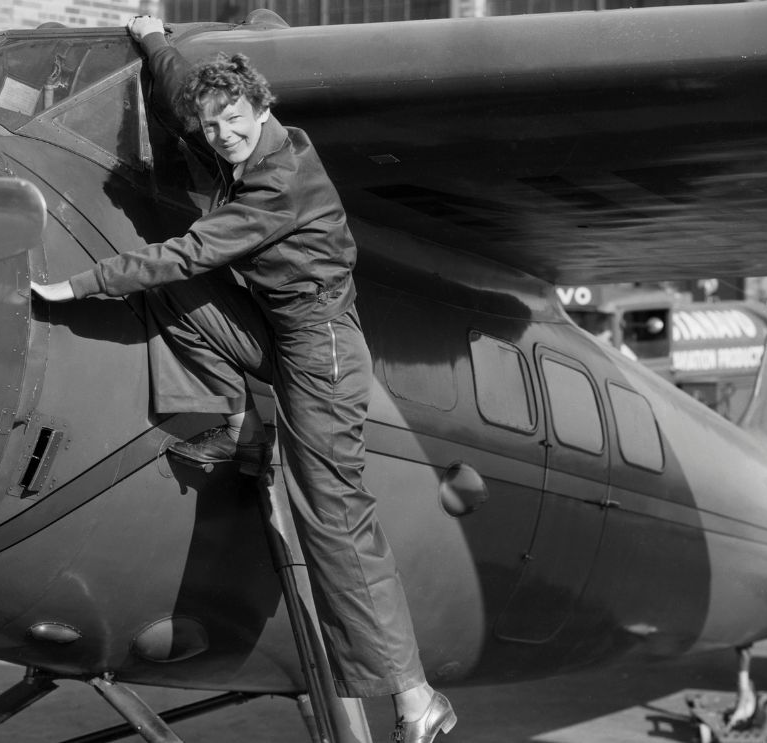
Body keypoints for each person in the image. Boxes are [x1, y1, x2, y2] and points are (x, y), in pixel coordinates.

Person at [31, 16, 455, 742]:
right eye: (212, 125)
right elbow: (178, 98)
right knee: (164, 292)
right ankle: (235, 422)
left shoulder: (280, 183)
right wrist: (152, 40)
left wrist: (78, 285)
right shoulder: (234, 137)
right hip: (275, 330)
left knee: (332, 513)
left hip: (321, 351)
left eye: (232, 122)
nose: (220, 135)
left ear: (264, 112)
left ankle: (416, 695)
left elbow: (191, 250)